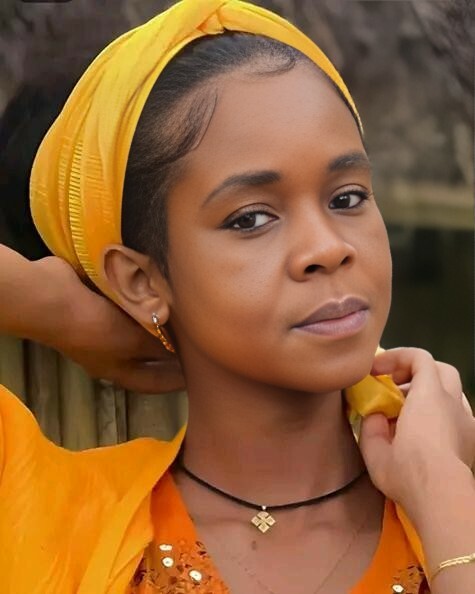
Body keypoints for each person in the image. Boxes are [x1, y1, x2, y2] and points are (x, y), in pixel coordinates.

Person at [0, 1, 474, 593]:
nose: (328, 248)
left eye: (347, 198)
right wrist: (55, 308)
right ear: (141, 280)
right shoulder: (40, 517)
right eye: (250, 218)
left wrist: (442, 492)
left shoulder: (451, 502)